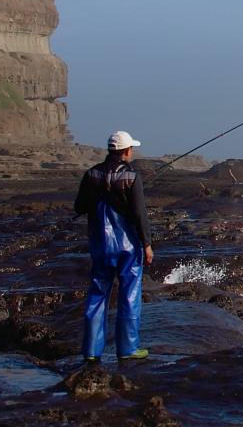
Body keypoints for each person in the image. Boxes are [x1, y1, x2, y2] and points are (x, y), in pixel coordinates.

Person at [74, 130, 154, 361]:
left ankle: (91, 350)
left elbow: (79, 207)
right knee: (129, 294)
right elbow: (140, 214)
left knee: (98, 293)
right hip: (128, 245)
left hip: (101, 243)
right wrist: (147, 244)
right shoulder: (131, 176)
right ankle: (128, 349)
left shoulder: (92, 174)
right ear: (127, 151)